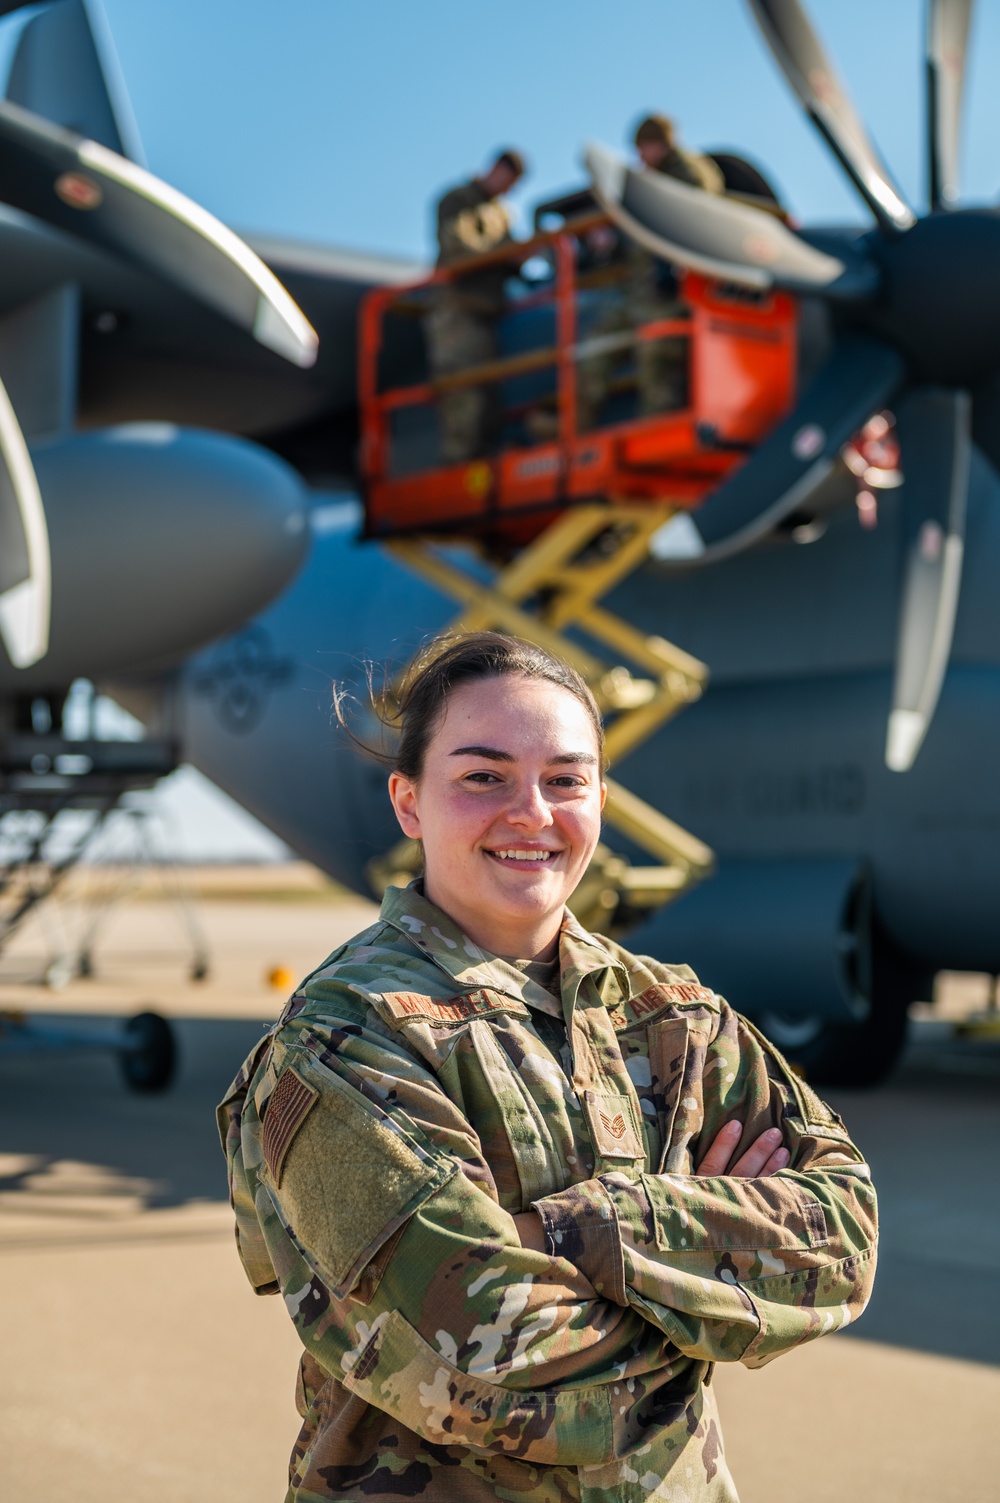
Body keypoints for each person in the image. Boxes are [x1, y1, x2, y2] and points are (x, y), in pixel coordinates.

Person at [219, 630, 877, 1502]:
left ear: (600, 796)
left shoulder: (671, 1012)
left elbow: (845, 1238)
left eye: (566, 778)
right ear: (410, 802)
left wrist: (573, 1233)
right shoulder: (343, 1037)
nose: (532, 811)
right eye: (484, 775)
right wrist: (702, 1299)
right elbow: (485, 1358)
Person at [579, 114, 723, 430]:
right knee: (597, 346)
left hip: (674, 293)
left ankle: (655, 429)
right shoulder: (653, 180)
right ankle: (576, 426)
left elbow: (689, 227)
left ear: (658, 144)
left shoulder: (687, 175)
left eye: (642, 148)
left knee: (657, 353)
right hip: (642, 295)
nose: (639, 158)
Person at [425, 149, 526, 464]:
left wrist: (519, 258)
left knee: (488, 394)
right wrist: (505, 253)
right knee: (463, 392)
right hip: (457, 309)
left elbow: (509, 257)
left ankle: (478, 460)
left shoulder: (501, 214)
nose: (506, 191)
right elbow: (459, 249)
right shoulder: (458, 200)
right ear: (495, 169)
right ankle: (457, 465)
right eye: (506, 181)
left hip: (488, 311)